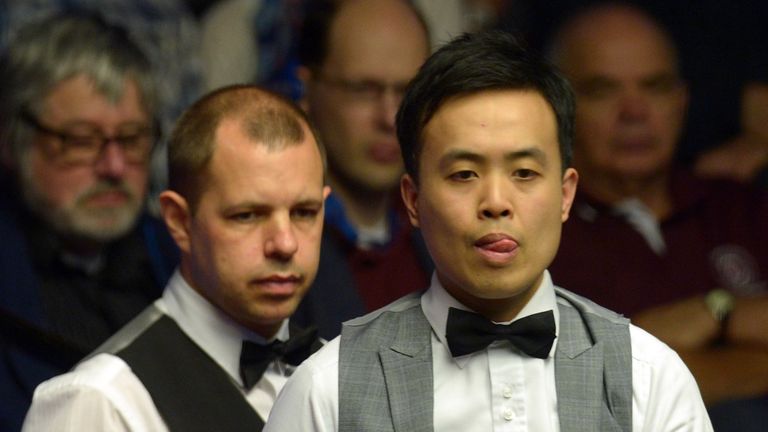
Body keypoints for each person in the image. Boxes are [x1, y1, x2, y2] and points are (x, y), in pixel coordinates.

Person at [264, 30, 713, 432]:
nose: (496, 202)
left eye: (523, 172)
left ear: (565, 195)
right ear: (413, 200)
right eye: (463, 174)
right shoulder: (327, 389)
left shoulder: (649, 378)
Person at [22, 84, 330, 431]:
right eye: (247, 215)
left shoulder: (341, 371)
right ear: (179, 222)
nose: (285, 243)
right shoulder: (100, 402)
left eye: (304, 212)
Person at [545, 3, 768, 430]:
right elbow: (594, 389)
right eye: (602, 90)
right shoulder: (540, 238)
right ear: (558, 108)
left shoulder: (745, 208)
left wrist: (716, 313)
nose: (634, 113)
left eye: (655, 86)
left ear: (682, 101)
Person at [0, 14, 178, 431]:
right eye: (81, 141)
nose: (114, 166)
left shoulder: (182, 255)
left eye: (132, 138)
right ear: (12, 140)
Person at [291, 0, 433, 339]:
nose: (389, 118)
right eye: (364, 91)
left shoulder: (441, 234)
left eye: (407, 92)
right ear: (308, 90)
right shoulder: (279, 248)